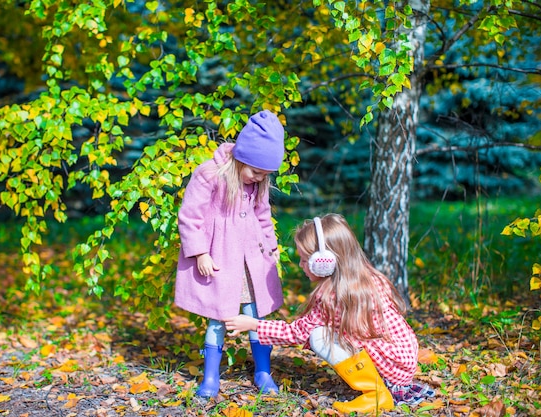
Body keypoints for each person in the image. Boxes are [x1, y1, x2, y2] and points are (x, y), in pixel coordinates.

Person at [224, 214, 436, 414]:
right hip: (402, 360)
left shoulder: (332, 297)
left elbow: (296, 332)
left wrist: (252, 324)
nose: (300, 266)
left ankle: (376, 393)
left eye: (305, 260)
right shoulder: (368, 278)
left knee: (317, 335)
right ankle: (374, 382)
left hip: (392, 370)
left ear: (324, 262)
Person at [175, 110, 286, 398]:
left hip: (251, 260)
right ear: (241, 157)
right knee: (218, 316)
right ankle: (210, 378)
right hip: (220, 258)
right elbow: (190, 217)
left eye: (264, 174)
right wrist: (199, 253)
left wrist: (271, 247)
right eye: (255, 171)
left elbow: (263, 215)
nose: (259, 178)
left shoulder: (257, 183)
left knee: (256, 315)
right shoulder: (209, 174)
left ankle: (263, 372)